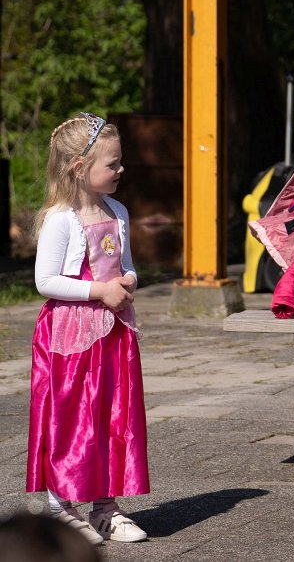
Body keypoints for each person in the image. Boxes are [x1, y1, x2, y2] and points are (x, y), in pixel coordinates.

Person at [28, 113, 150, 544]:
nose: (120, 170)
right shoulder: (60, 218)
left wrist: (128, 280)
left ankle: (106, 507)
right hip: (70, 339)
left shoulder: (117, 212)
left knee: (112, 416)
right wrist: (100, 290)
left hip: (113, 335)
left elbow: (128, 265)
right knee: (70, 418)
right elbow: (45, 281)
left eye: (119, 163)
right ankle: (62, 505)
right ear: (80, 168)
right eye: (112, 164)